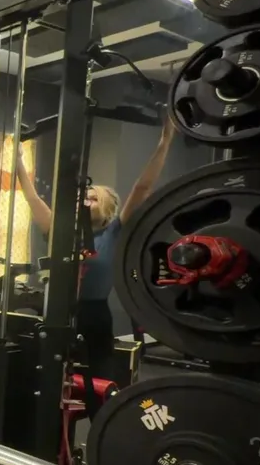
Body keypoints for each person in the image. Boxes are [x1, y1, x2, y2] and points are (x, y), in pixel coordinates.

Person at [15, 119, 176, 380]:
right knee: (50, 378)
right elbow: (32, 198)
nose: (86, 200)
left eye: (94, 198)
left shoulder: (114, 232)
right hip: (57, 312)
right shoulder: (61, 231)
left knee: (98, 378)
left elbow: (142, 187)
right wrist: (18, 160)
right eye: (84, 196)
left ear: (108, 208)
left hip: (94, 315)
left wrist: (165, 142)